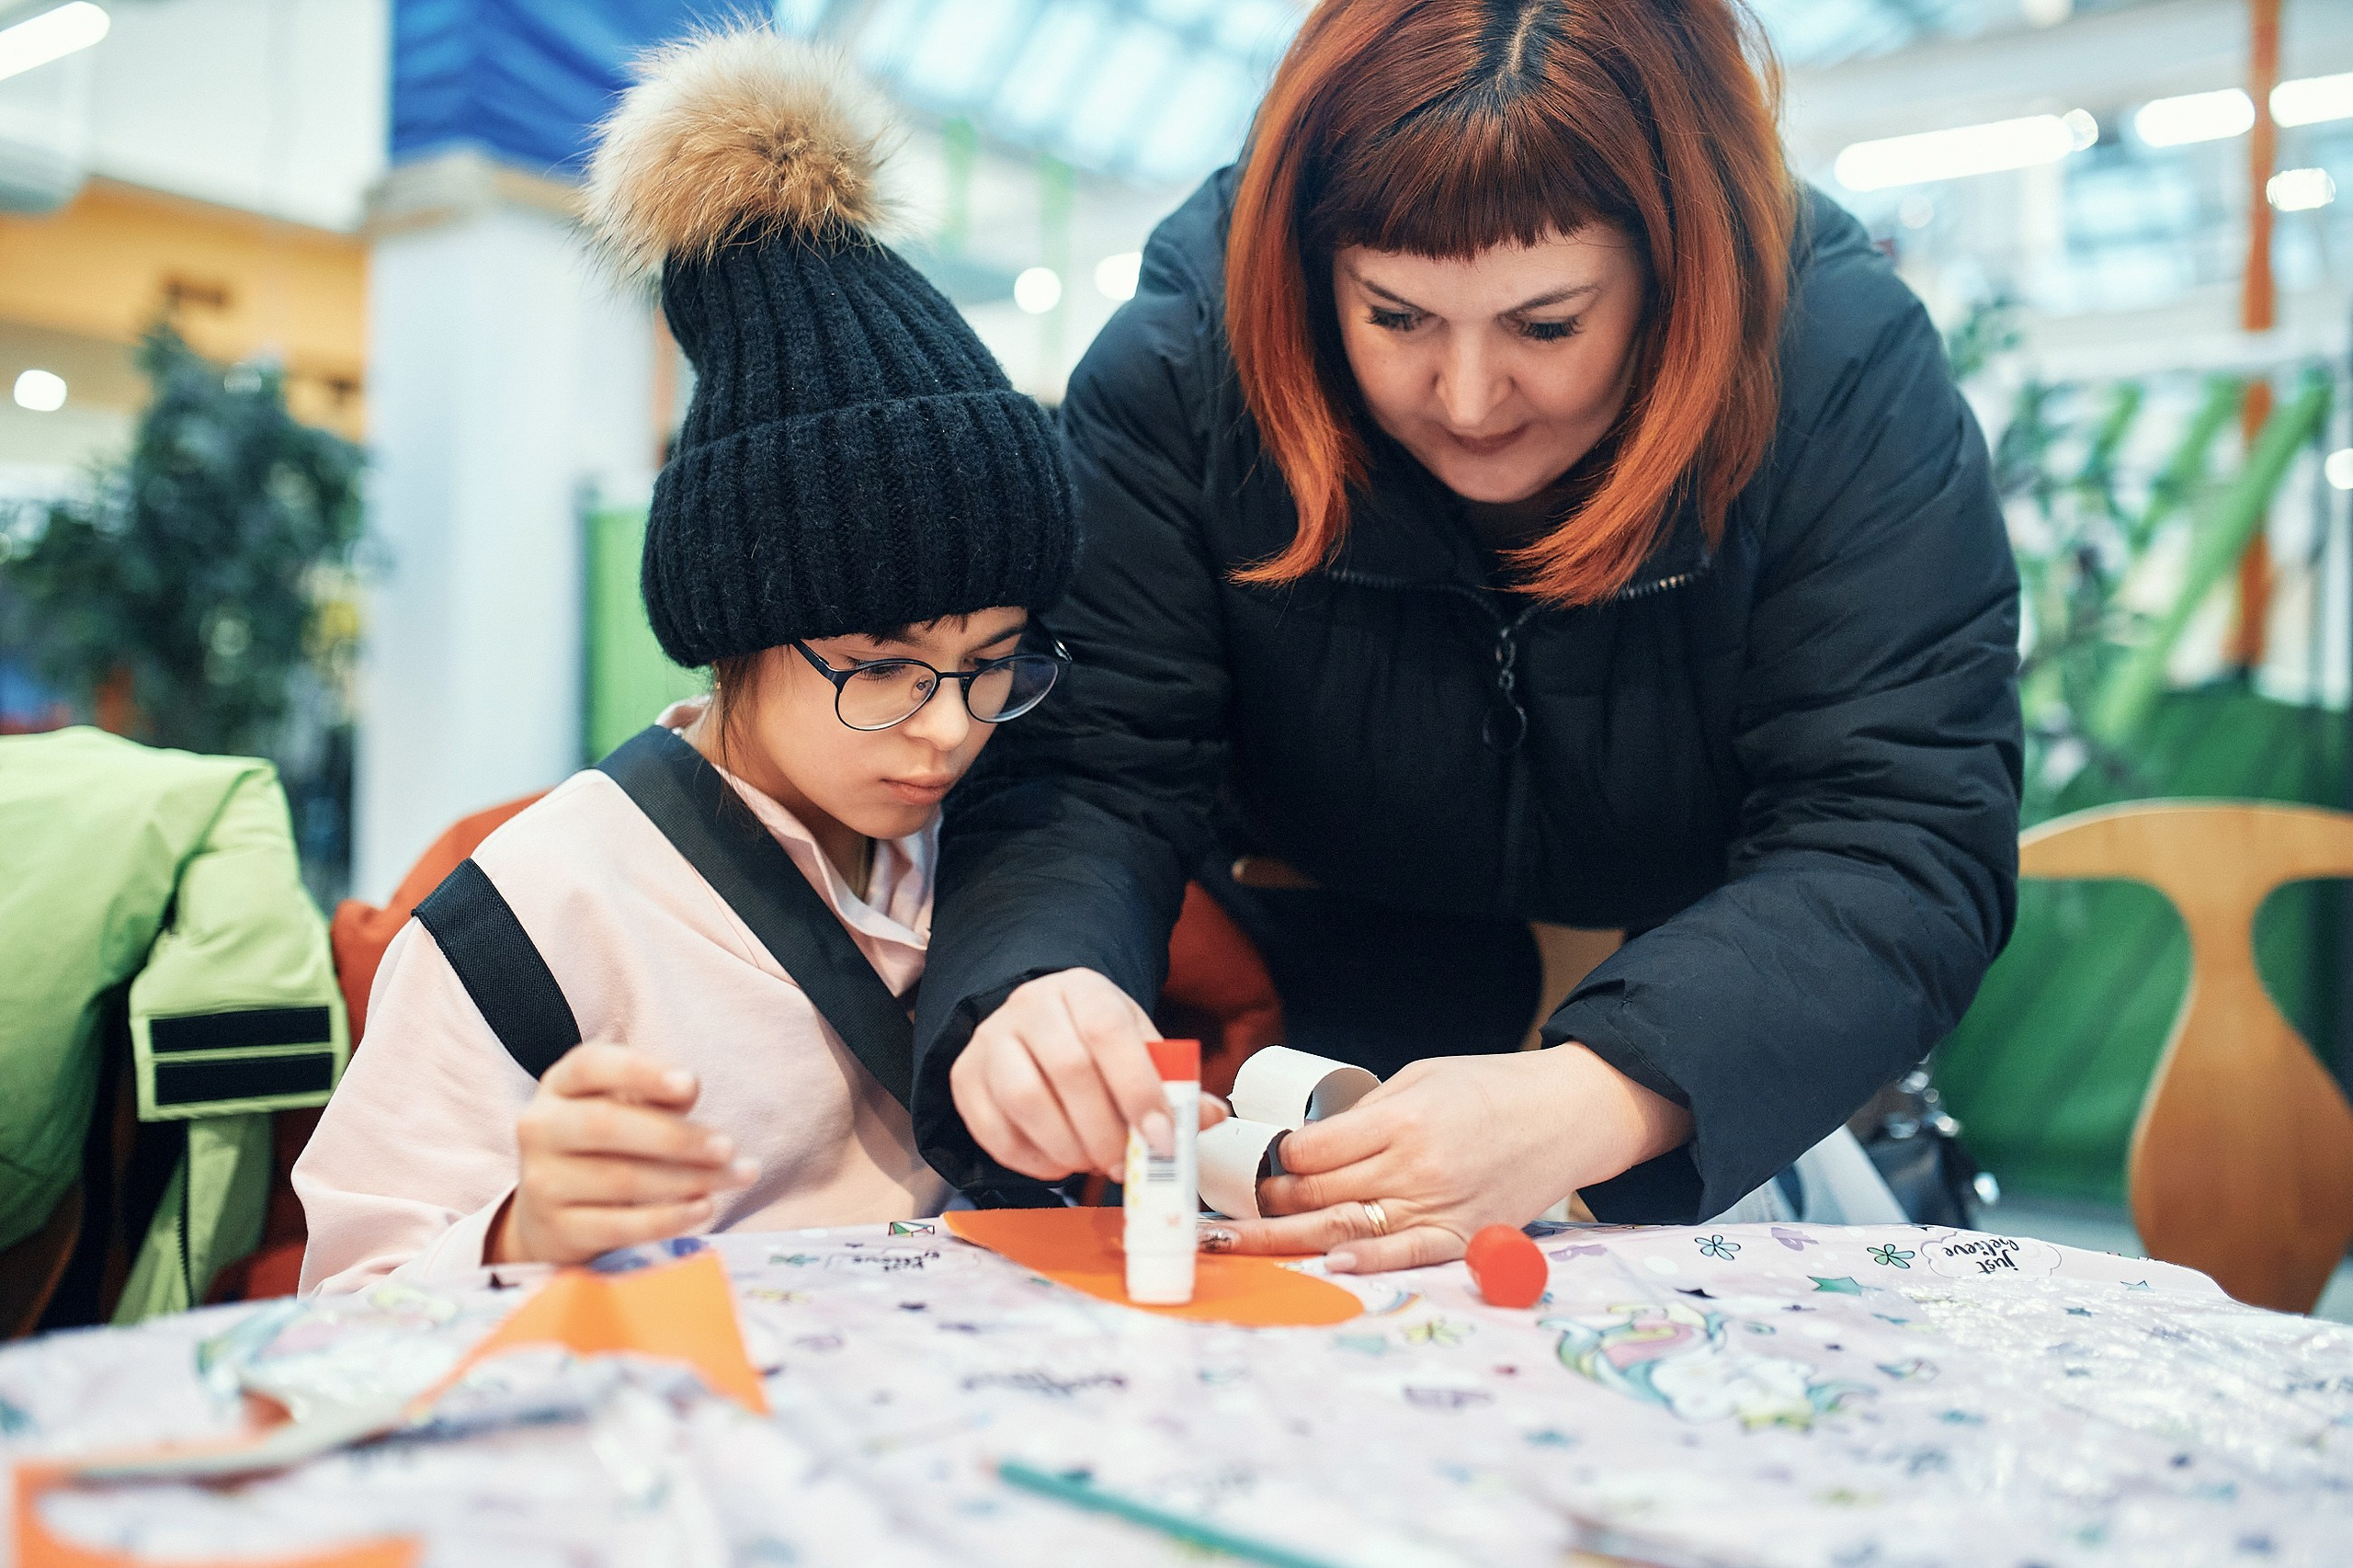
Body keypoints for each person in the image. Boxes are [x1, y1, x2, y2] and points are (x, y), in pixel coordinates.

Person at [917, 0, 2021, 1267]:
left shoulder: (1837, 363)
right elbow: (1088, 768)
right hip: (1297, 1059)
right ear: (1311, 265)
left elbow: (1897, 831)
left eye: (1546, 325)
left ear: (1677, 273)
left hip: (1709, 1085)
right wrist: (1035, 983)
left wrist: (1602, 1095)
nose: (1469, 398)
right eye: (1395, 316)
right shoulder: (1190, 360)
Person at [296, 29, 1081, 1290]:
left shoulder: (1005, 851)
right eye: (882, 667)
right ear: (733, 629)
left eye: (993, 663)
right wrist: (518, 1236)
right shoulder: (533, 912)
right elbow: (344, 1298)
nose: (949, 728)